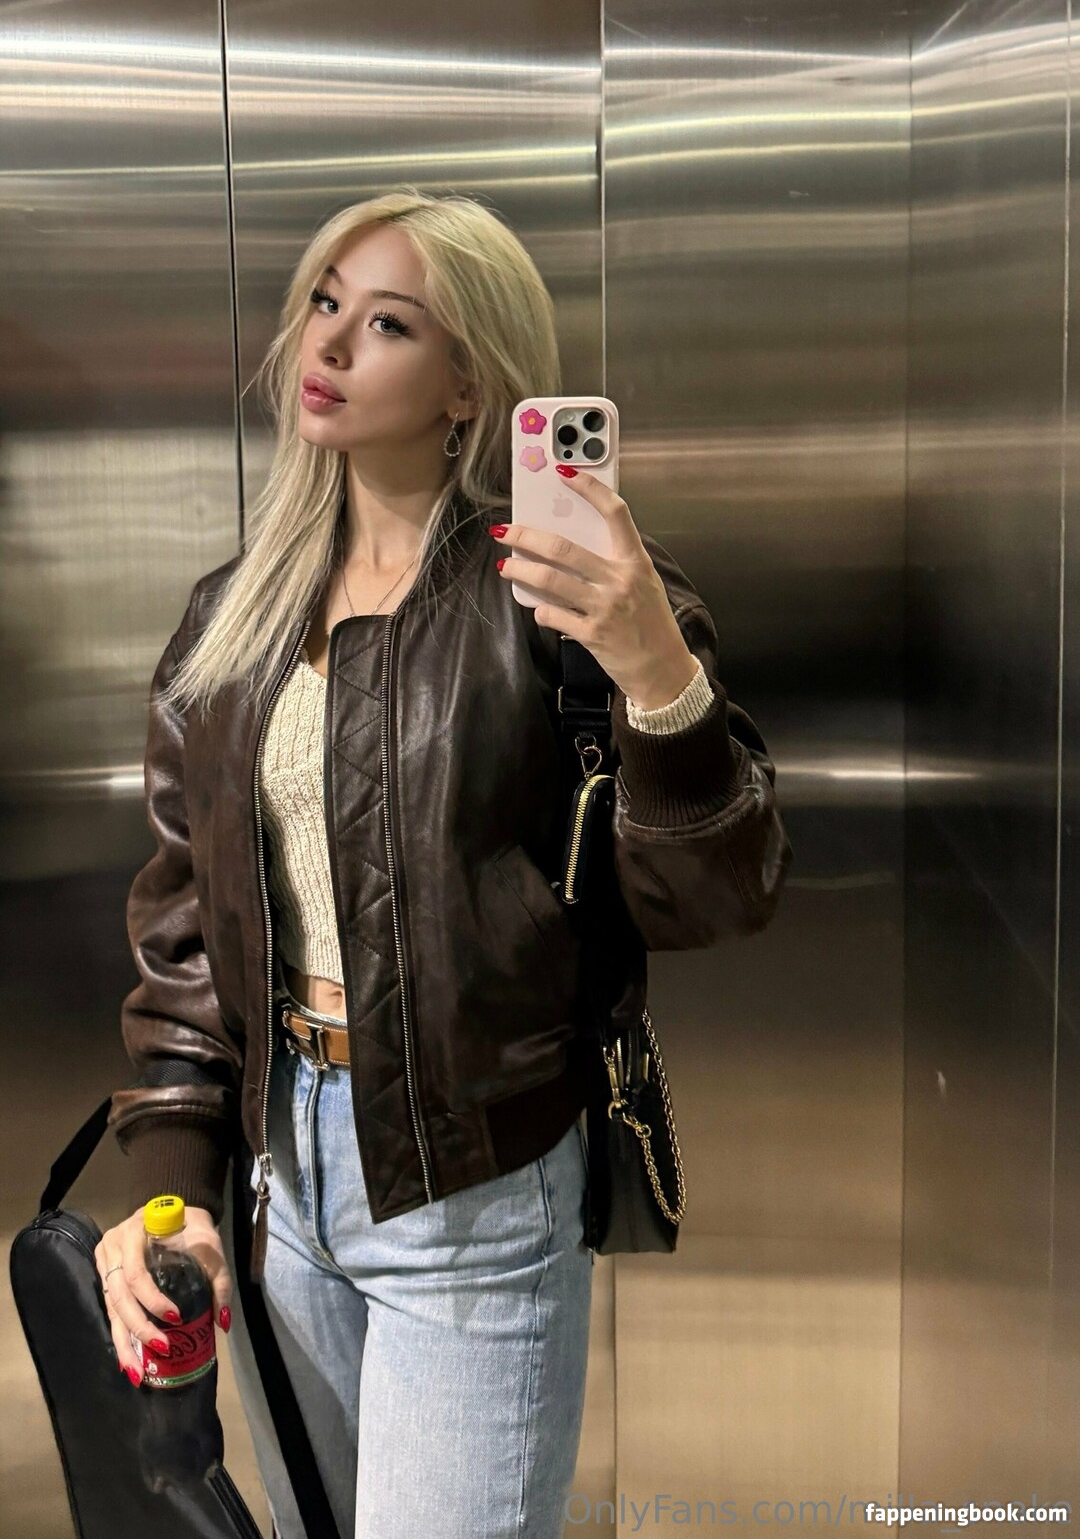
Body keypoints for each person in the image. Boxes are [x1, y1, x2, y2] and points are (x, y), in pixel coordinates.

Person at [94, 187, 791, 1539]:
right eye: (325, 302)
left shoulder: (561, 601)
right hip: (279, 1187)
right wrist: (171, 1191)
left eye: (389, 323)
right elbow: (184, 942)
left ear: (470, 383)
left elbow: (720, 891)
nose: (330, 342)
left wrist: (656, 668)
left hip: (473, 1190)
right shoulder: (231, 620)